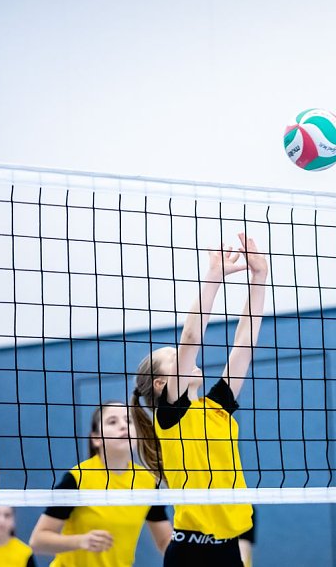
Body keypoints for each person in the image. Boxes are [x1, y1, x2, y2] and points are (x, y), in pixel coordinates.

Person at [131, 233, 267, 566]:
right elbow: (191, 336)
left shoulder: (216, 407)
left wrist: (260, 276)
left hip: (228, 548)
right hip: (191, 553)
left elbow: (245, 344)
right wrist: (214, 276)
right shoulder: (171, 414)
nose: (186, 358)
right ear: (163, 383)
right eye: (176, 358)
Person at [29, 402, 172, 566]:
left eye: (129, 421)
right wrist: (80, 541)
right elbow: (38, 541)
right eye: (113, 421)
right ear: (96, 438)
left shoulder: (147, 481)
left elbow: (164, 540)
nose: (123, 426)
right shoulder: (78, 478)